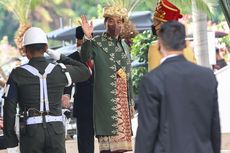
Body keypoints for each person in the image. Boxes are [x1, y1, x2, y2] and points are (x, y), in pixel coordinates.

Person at [135, 21, 221, 153]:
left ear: (159, 45)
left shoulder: (152, 80)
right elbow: (214, 126)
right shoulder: (207, 77)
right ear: (185, 44)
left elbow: (147, 132)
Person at [3, 27, 90, 153]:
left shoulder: (17, 74)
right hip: (56, 131)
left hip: (30, 132)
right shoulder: (59, 71)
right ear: (45, 48)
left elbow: (9, 108)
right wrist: (61, 57)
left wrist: (10, 136)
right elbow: (85, 71)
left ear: (26, 50)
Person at [80, 5, 134, 153]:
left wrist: (131, 101)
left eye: (119, 22)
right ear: (105, 23)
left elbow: (127, 75)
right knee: (108, 148)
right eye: (111, 21)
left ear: (123, 23)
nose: (115, 25)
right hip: (106, 100)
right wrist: (87, 37)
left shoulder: (124, 46)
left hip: (123, 99)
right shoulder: (96, 42)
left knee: (122, 148)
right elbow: (84, 57)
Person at [63, 26, 94, 153]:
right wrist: (67, 95)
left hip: (100, 103)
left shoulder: (97, 55)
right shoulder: (71, 58)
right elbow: (68, 80)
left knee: (106, 140)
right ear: (77, 41)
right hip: (83, 104)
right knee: (85, 140)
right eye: (80, 42)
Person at [148, 0, 196, 71]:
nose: (154, 25)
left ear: (162, 25)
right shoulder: (187, 46)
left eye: (155, 22)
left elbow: (153, 74)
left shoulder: (155, 47)